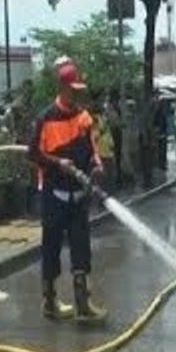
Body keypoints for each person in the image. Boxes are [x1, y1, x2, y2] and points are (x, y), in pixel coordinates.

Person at [28, 60, 108, 324]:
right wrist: (57, 163)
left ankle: (83, 305)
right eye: (73, 89)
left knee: (81, 249)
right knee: (51, 248)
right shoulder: (45, 118)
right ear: (62, 86)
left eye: (79, 89)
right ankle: (49, 302)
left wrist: (96, 166)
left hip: (78, 197)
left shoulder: (84, 118)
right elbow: (33, 154)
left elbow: (92, 150)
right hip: (53, 196)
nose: (77, 94)